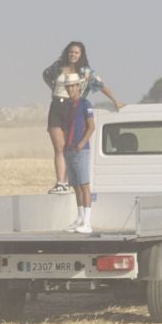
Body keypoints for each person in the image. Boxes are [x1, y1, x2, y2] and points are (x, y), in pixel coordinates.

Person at [42, 41, 122, 193]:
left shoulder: (86, 72)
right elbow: (46, 75)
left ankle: (69, 181)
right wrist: (53, 87)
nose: (73, 55)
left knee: (67, 147)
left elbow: (101, 85)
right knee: (58, 147)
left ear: (81, 55)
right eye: (71, 52)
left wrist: (114, 100)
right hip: (56, 106)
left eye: (76, 53)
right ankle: (61, 182)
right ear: (67, 52)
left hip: (72, 107)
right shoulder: (58, 66)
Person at [63, 77, 97, 234]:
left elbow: (91, 126)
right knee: (76, 186)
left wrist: (82, 143)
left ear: (78, 87)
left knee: (84, 185)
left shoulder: (85, 104)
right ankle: (80, 217)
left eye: (73, 87)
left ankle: (87, 222)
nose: (70, 90)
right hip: (69, 149)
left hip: (80, 150)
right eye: (68, 87)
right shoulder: (68, 106)